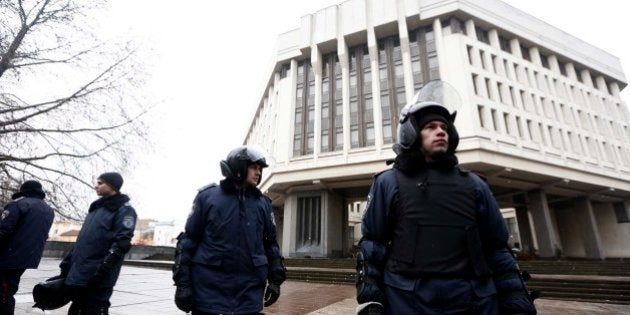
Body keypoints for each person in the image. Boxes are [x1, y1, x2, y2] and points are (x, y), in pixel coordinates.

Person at [355, 81, 537, 314]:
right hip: (407, 301)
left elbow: (497, 249)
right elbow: (372, 248)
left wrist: (516, 301)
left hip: (474, 301)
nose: (441, 131)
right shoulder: (388, 182)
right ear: (411, 133)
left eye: (444, 126)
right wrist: (372, 302)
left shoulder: (475, 184)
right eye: (430, 126)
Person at [173, 145, 286, 314]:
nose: (258, 173)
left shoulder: (263, 204)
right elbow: (188, 241)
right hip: (209, 292)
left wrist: (275, 281)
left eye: (260, 169)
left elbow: (271, 245)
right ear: (239, 167)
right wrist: (183, 284)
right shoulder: (207, 198)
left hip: (249, 293)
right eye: (254, 167)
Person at [56, 172, 137, 314]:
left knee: (95, 308)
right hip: (80, 272)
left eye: (101, 183)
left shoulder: (124, 210)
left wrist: (102, 270)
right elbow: (84, 239)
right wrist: (68, 261)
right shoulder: (97, 208)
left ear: (112, 186)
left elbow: (121, 244)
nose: (96, 186)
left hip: (99, 275)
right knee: (77, 309)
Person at [0, 180, 54, 314]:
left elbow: (3, 231)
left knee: (3, 292)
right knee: (9, 289)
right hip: (29, 258)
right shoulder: (48, 210)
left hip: (8, 257)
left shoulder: (18, 205)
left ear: (23, 191)